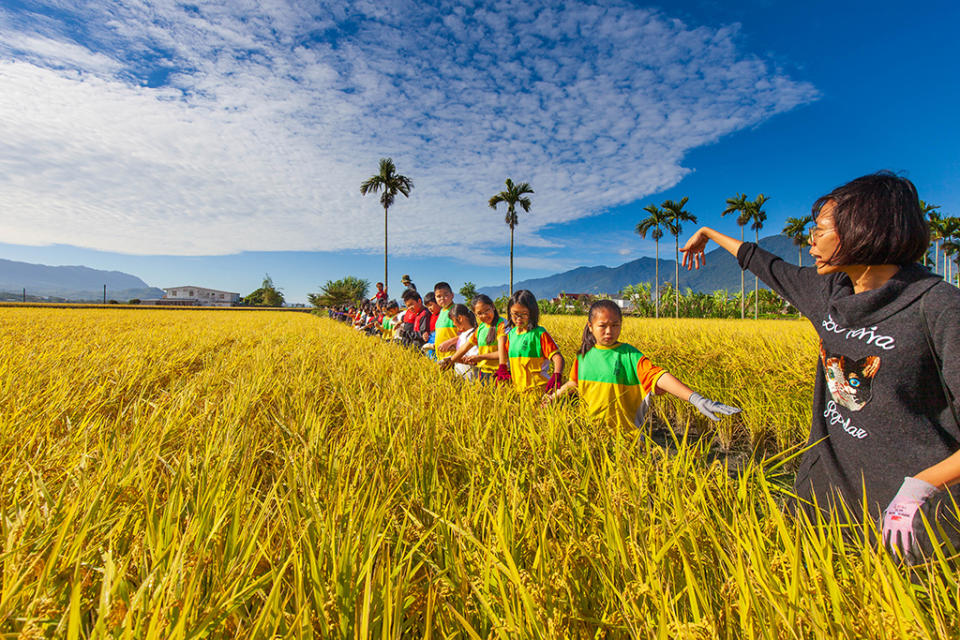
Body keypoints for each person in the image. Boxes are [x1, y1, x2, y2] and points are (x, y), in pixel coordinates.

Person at [680, 171, 960, 561]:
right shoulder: (828, 290)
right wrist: (709, 232)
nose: (809, 239)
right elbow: (764, 263)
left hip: (908, 521)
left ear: (863, 230)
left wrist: (922, 487)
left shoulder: (939, 306)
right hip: (821, 503)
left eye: (821, 229)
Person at [544, 300, 740, 431]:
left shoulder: (629, 355)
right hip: (591, 436)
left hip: (626, 440)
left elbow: (659, 377)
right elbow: (574, 383)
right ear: (590, 326)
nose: (609, 331)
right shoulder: (583, 357)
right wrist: (554, 397)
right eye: (602, 326)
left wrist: (696, 399)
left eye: (615, 325)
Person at [499, 289, 564, 393]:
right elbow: (504, 354)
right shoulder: (511, 335)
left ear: (532, 313)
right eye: (515, 314)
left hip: (539, 390)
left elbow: (558, 357)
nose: (519, 318)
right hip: (519, 391)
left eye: (524, 314)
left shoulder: (539, 334)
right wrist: (502, 367)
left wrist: (557, 375)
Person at [460, 294, 508, 382]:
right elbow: (465, 347)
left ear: (493, 307)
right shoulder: (481, 328)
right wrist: (451, 360)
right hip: (484, 372)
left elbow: (504, 351)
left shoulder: (502, 324)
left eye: (487, 310)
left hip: (500, 372)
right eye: (479, 313)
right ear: (475, 315)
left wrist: (481, 357)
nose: (484, 315)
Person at [439, 304, 480, 380]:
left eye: (453, 321)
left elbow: (474, 360)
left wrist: (452, 360)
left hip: (472, 379)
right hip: (461, 377)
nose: (454, 324)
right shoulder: (463, 335)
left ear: (460, 318)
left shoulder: (473, 335)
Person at [433, 282, 458, 361]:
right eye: (438, 296)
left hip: (455, 357)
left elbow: (469, 334)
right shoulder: (442, 312)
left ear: (452, 295)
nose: (442, 298)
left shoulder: (457, 311)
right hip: (441, 357)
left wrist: (450, 342)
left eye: (446, 295)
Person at [421, 292, 440, 359]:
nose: (429, 308)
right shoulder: (430, 316)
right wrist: (425, 334)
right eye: (427, 306)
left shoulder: (443, 315)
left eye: (431, 305)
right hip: (430, 341)